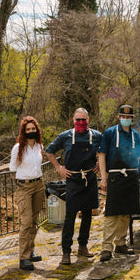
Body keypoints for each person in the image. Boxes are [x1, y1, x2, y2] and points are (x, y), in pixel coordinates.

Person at [46, 108, 102, 265]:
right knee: (70, 217)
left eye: (83, 119)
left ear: (88, 120)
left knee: (87, 215)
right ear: (73, 120)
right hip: (73, 180)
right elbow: (49, 151)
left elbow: (105, 151)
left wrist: (99, 163)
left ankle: (83, 246)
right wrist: (59, 168)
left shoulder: (97, 136)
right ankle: (66, 252)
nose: (80, 123)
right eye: (78, 120)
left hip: (89, 179)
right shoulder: (65, 136)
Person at [98, 105, 140, 262]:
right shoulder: (110, 133)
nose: (126, 119)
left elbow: (138, 155)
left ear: (132, 118)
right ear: (119, 117)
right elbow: (102, 154)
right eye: (123, 117)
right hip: (115, 176)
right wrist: (103, 177)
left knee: (126, 213)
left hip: (131, 176)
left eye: (129, 117)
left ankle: (120, 243)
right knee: (112, 213)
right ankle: (106, 247)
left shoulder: (135, 135)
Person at [9, 116, 45, 271]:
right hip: (24, 187)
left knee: (35, 220)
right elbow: (12, 168)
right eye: (28, 129)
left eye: (33, 128)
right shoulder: (18, 148)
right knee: (26, 221)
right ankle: (23, 258)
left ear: (36, 130)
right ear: (24, 132)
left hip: (39, 185)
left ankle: (30, 251)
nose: (31, 131)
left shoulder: (39, 146)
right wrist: (19, 184)